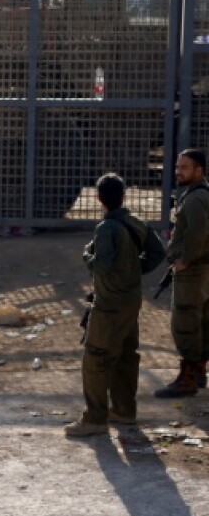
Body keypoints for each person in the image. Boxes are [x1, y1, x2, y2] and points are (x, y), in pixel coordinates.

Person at [65, 174, 147, 436]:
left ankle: (95, 418)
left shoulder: (106, 228)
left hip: (109, 303)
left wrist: (87, 256)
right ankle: (124, 411)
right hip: (131, 299)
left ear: (99, 199)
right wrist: (132, 271)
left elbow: (100, 267)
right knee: (125, 354)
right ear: (123, 196)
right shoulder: (135, 222)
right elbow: (157, 252)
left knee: (95, 358)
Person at [155, 148, 209, 398]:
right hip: (201, 268)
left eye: (184, 167)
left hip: (193, 270)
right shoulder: (196, 194)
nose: (178, 171)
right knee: (201, 320)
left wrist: (185, 260)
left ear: (199, 171)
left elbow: (197, 233)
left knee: (185, 322)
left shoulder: (197, 198)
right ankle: (198, 370)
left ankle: (187, 378)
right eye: (177, 167)